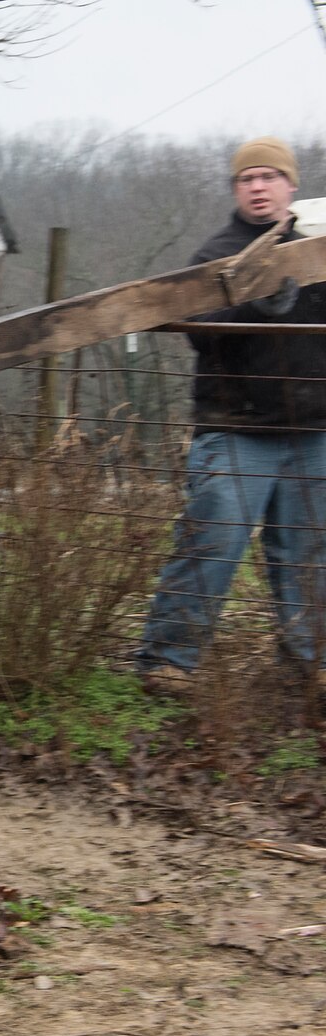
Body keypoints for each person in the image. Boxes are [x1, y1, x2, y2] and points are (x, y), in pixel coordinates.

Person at [135, 137, 326, 696]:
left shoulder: (316, 247)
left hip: (315, 430)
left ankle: (308, 667)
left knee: (307, 548)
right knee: (213, 537)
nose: (259, 186)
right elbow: (195, 327)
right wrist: (253, 302)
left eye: (270, 177)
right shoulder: (215, 256)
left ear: (291, 185)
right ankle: (168, 661)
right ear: (237, 189)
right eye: (248, 179)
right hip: (237, 429)